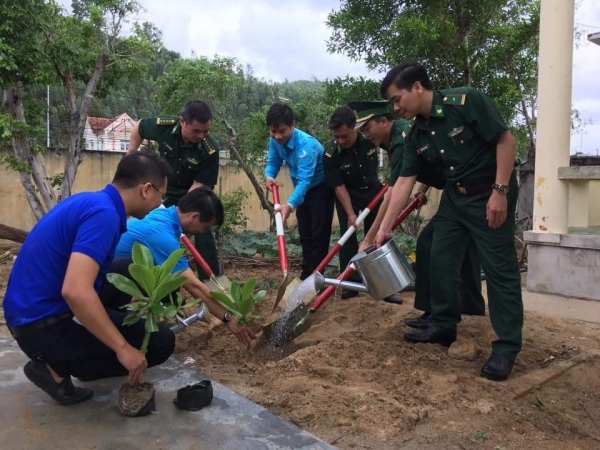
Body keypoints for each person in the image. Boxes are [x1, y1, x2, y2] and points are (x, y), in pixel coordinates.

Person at [374, 62, 522, 381]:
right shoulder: (416, 134)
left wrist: (500, 191)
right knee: (439, 255)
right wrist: (385, 228)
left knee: (499, 271)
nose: (396, 107)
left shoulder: (466, 102)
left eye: (397, 99)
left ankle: (506, 347)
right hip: (456, 196)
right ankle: (443, 325)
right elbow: (403, 183)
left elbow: (506, 141)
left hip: (490, 191)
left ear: (417, 88)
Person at [3, 152, 174, 405]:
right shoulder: (104, 216)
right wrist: (122, 348)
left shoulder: (94, 202)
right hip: (41, 326)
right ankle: (55, 369)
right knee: (161, 343)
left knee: (126, 267)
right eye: (162, 195)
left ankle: (83, 344)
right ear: (146, 189)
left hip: (34, 310)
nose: (161, 203)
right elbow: (75, 291)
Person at [353, 101, 486, 323]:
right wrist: (424, 189)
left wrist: (369, 239)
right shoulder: (395, 138)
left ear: (384, 122)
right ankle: (460, 308)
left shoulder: (402, 138)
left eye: (367, 129)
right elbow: (434, 162)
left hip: (468, 191)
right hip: (454, 190)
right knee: (453, 247)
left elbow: (392, 194)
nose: (366, 136)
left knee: (432, 245)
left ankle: (441, 311)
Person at [114, 186, 255, 346]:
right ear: (194, 217)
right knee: (161, 343)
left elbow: (176, 276)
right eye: (205, 226)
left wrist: (180, 304)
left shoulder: (163, 215)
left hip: (111, 277)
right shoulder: (163, 236)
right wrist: (228, 317)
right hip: (106, 290)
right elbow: (194, 286)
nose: (202, 232)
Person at [128, 100, 221, 280]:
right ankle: (145, 275)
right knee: (147, 226)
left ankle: (210, 282)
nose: (202, 135)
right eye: (196, 131)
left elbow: (198, 188)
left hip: (192, 195)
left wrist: (180, 215)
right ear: (183, 122)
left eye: (206, 131)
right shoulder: (165, 127)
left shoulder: (210, 150)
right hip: (162, 190)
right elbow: (139, 127)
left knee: (202, 230)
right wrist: (131, 154)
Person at [323, 105, 401, 304]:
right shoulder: (331, 153)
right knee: (347, 239)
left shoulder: (371, 140)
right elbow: (338, 186)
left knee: (376, 237)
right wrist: (350, 214)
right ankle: (350, 284)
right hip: (347, 195)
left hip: (373, 192)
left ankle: (384, 284)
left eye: (344, 136)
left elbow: (394, 151)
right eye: (336, 137)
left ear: (355, 129)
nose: (340, 141)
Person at [264, 103, 335, 280]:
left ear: (292, 125)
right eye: (273, 131)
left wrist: (290, 204)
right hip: (302, 192)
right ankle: (306, 275)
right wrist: (269, 175)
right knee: (305, 235)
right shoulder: (274, 140)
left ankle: (316, 277)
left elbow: (305, 180)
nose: (277, 136)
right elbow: (273, 161)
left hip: (321, 190)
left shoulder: (306, 146)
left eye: (282, 131)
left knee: (319, 236)